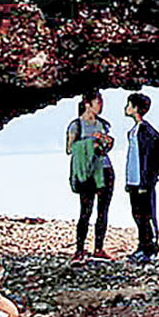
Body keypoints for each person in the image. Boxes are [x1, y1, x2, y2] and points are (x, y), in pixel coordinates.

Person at [63, 90, 115, 262]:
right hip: (87, 173)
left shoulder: (103, 124)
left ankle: (99, 248)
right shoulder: (76, 125)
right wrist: (90, 143)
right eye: (98, 102)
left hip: (105, 169)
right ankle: (79, 249)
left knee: (103, 211)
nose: (100, 106)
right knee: (85, 211)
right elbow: (70, 148)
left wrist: (107, 142)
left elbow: (105, 148)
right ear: (87, 104)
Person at [119, 92, 159, 264]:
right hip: (134, 181)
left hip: (143, 182)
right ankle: (142, 246)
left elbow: (148, 158)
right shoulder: (135, 131)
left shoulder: (146, 132)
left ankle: (151, 249)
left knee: (147, 215)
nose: (126, 108)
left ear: (136, 108)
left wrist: (145, 181)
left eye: (129, 105)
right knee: (138, 215)